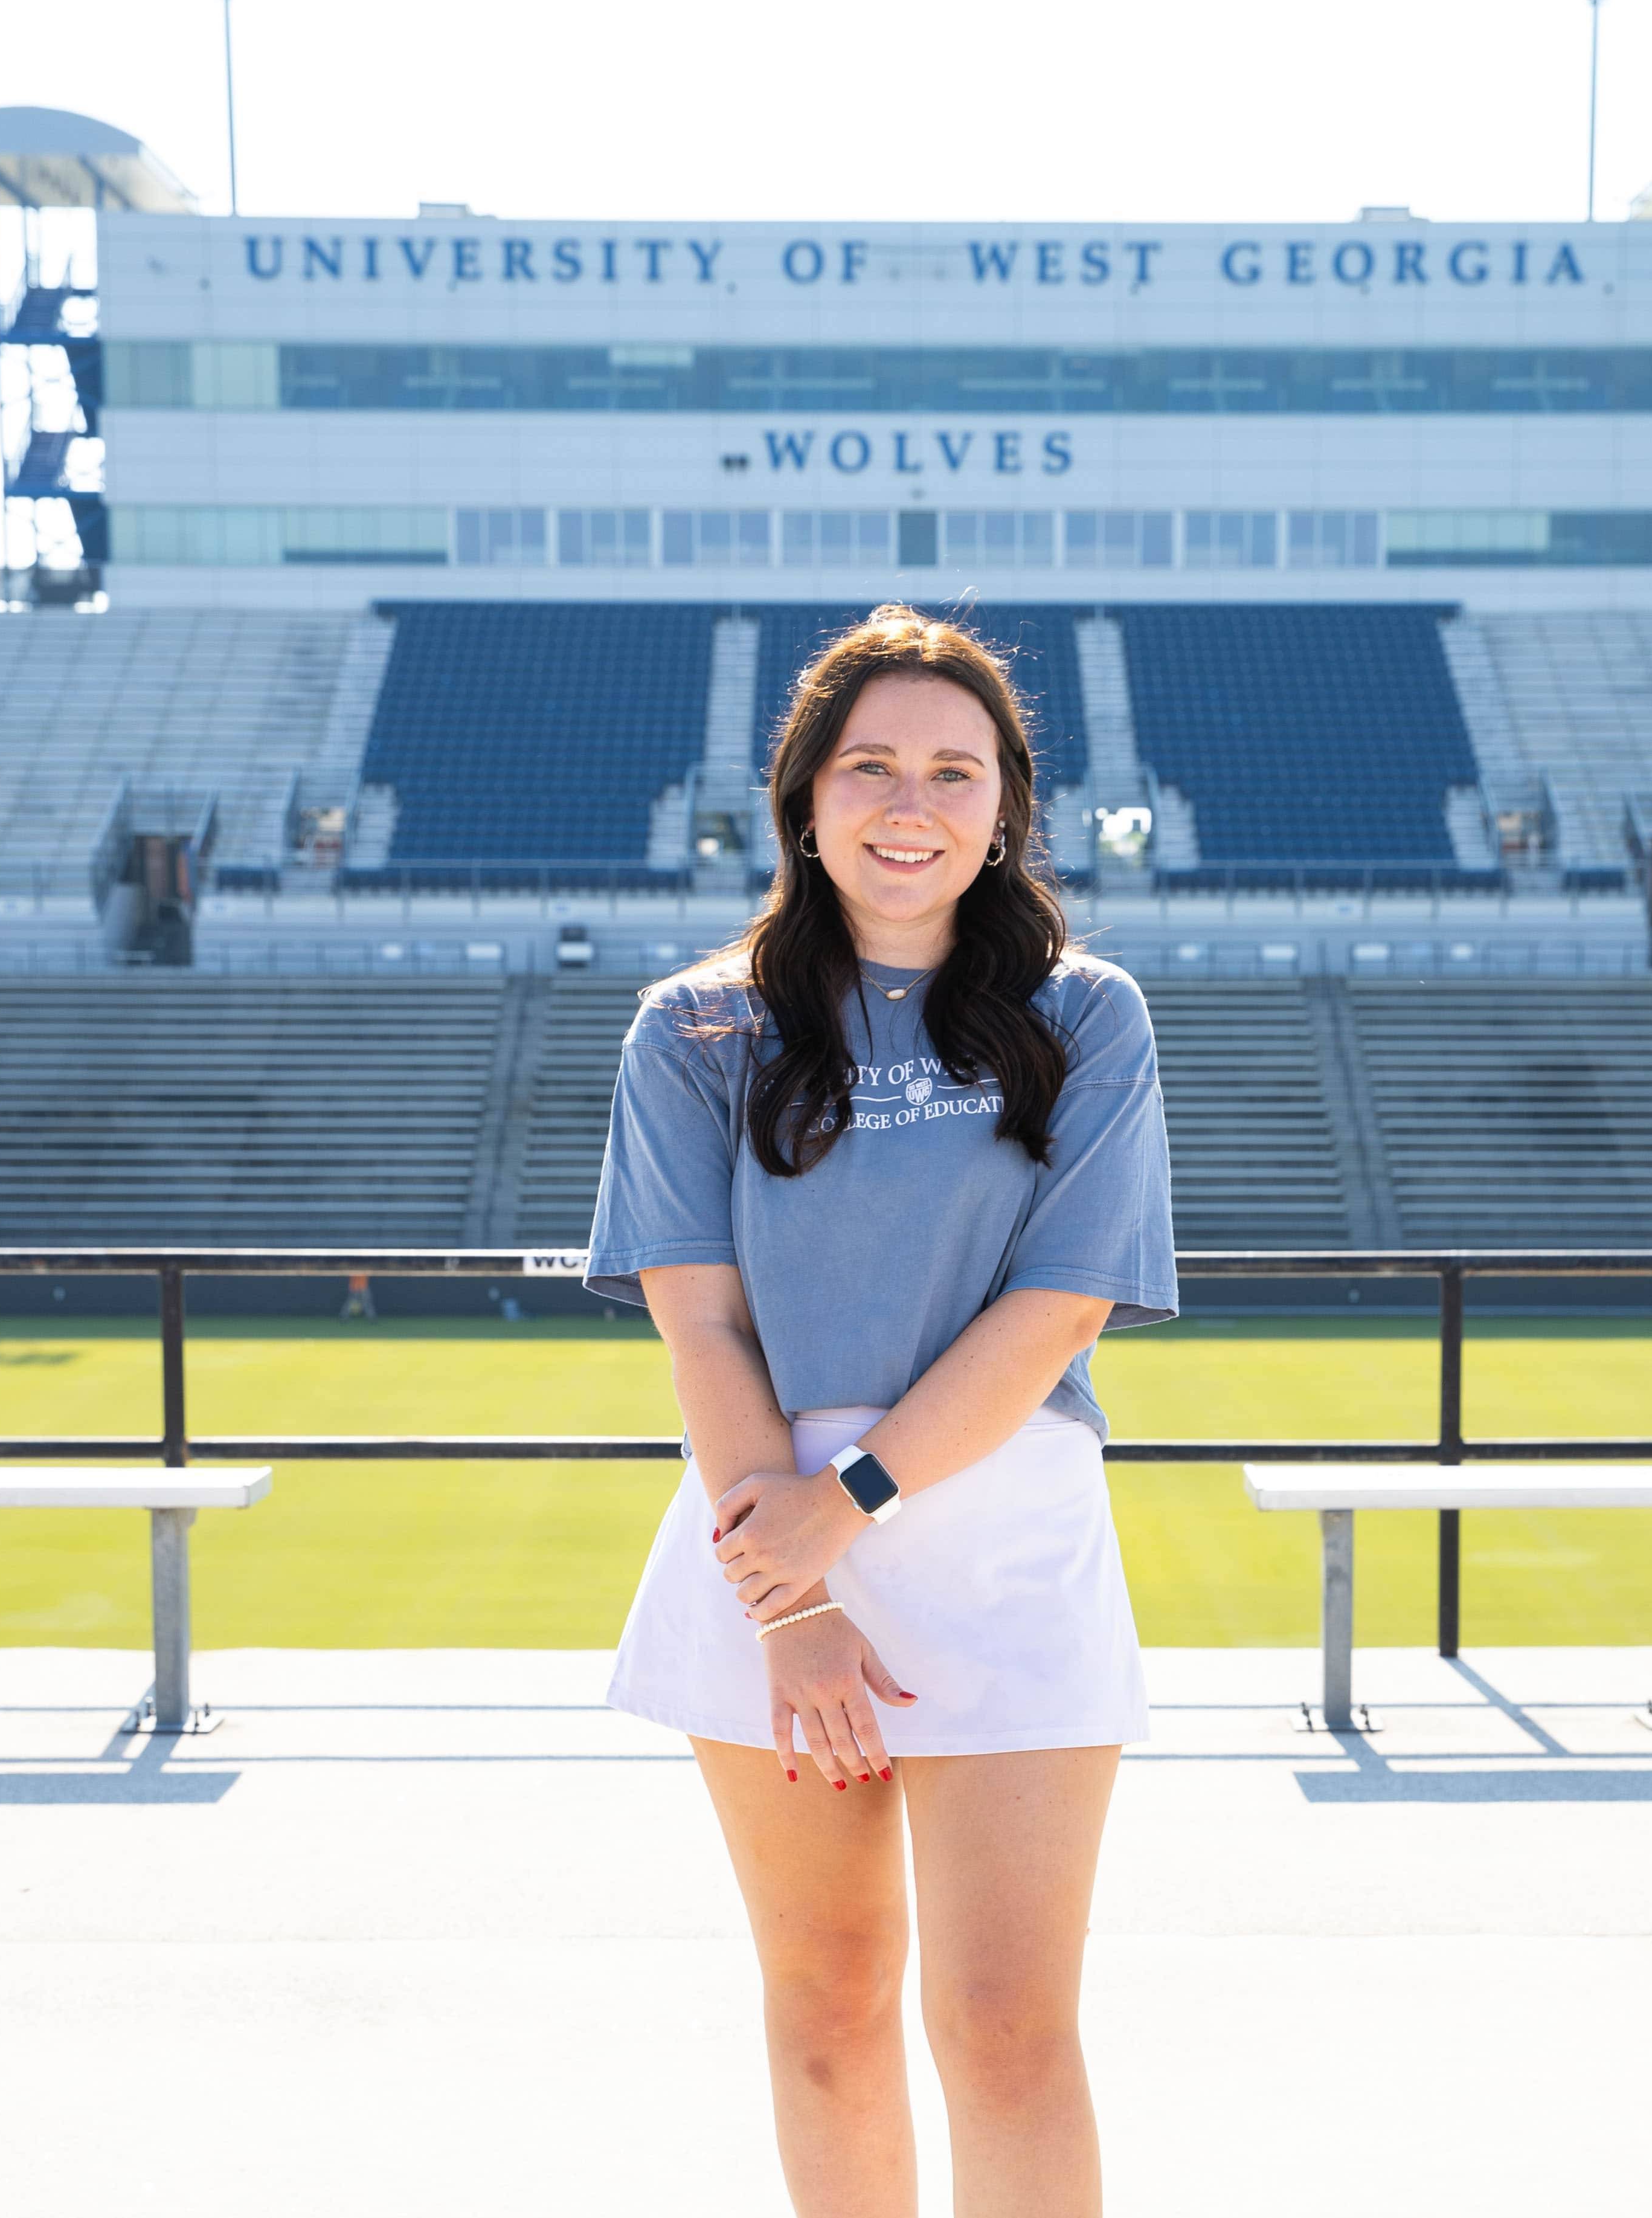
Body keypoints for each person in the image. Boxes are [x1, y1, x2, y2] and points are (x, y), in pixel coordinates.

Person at [585, 606, 1177, 2218]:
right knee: (831, 2014)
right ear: (803, 795)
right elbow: (699, 1318)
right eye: (869, 765)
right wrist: (790, 1600)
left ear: (1004, 806)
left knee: (1002, 2029)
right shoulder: (696, 1028)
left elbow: (1054, 1310)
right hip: (759, 1528)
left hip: (995, 1540)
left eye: (951, 769)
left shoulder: (1088, 1016)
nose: (908, 803)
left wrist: (842, 1505)